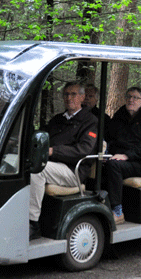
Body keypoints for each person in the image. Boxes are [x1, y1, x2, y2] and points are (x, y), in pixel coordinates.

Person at [29, 82, 98, 239]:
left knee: (37, 170)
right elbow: (40, 137)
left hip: (73, 170)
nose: (69, 98)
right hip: (54, 165)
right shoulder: (58, 119)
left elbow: (84, 150)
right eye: (66, 94)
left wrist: (54, 151)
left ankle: (32, 224)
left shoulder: (90, 121)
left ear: (82, 97)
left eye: (73, 94)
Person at [103, 87, 141, 224]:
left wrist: (127, 155)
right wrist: (106, 152)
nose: (131, 100)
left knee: (114, 165)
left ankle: (117, 210)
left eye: (135, 98)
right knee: (98, 163)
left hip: (140, 162)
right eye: (129, 96)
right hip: (117, 157)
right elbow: (109, 136)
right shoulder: (120, 115)